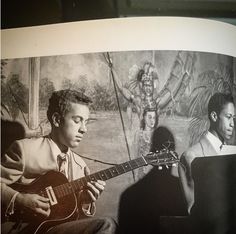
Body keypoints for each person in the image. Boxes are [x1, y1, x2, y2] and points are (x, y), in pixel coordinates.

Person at [1, 89, 117, 234]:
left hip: (54, 229)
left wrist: (84, 200)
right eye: (77, 120)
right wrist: (20, 200)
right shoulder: (25, 149)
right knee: (107, 224)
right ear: (56, 119)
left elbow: (72, 219)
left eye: (86, 122)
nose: (84, 129)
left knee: (107, 225)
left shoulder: (80, 166)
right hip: (22, 228)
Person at [178, 92, 236, 232]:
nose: (232, 124)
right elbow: (192, 207)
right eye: (228, 117)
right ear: (214, 116)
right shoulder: (191, 156)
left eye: (234, 118)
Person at [134, 107, 159, 180]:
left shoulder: (157, 134)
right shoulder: (139, 134)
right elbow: (135, 154)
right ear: (144, 118)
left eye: (154, 118)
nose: (152, 120)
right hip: (141, 171)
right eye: (150, 117)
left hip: (154, 171)